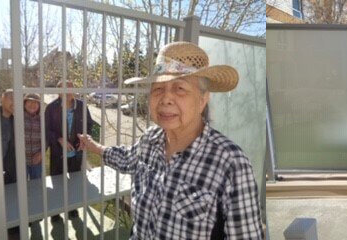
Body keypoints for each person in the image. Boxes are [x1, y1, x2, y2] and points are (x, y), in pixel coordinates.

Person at [77, 42, 263, 239]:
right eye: (157, 89)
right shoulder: (150, 140)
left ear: (203, 99)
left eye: (179, 88)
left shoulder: (230, 162)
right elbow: (127, 158)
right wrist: (95, 147)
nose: (165, 99)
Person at [44, 80, 94, 220]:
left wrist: (85, 139)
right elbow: (46, 130)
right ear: (58, 91)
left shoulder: (82, 106)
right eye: (64, 88)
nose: (67, 91)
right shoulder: (51, 108)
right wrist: (59, 139)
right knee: (57, 183)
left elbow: (89, 125)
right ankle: (55, 212)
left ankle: (72, 209)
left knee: (74, 183)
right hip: (58, 154)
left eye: (70, 88)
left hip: (76, 153)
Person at [24, 93, 43, 180]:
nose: (32, 105)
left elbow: (46, 139)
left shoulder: (42, 120)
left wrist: (41, 153)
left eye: (36, 102)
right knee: (21, 186)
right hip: (20, 160)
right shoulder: (16, 118)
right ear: (24, 103)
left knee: (37, 186)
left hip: (37, 160)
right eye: (30, 102)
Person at [0, 89, 17, 184]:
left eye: (17, 99)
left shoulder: (15, 120)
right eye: (11, 98)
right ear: (1, 98)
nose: (14, 102)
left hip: (9, 172)